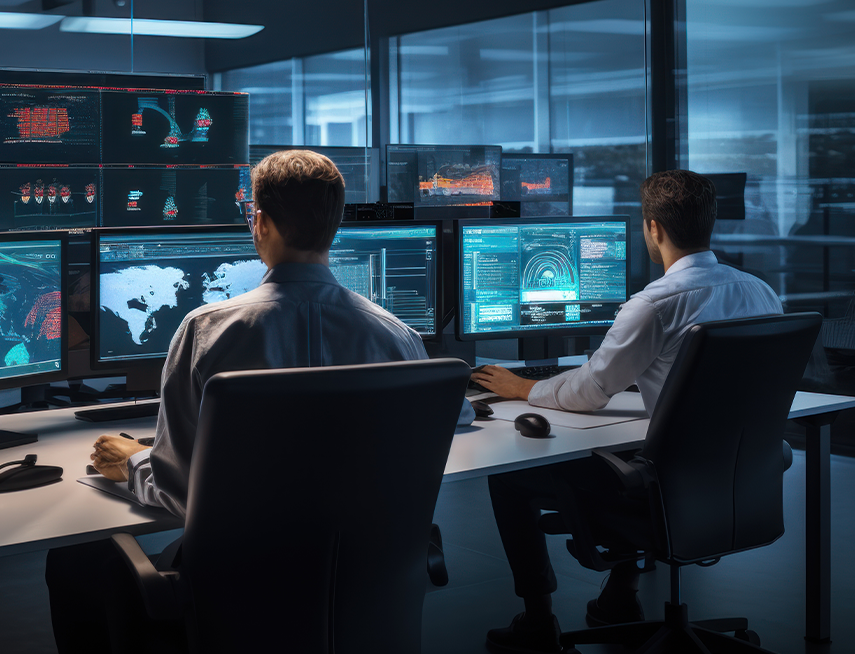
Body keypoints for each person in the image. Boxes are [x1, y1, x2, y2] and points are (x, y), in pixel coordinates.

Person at [45, 149, 435, 653]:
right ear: (335, 225)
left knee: (74, 560)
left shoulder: (207, 331)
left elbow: (186, 493)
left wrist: (134, 460)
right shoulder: (398, 336)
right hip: (365, 574)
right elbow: (449, 415)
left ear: (262, 222)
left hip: (241, 582)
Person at [475, 170, 783, 654]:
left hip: (665, 491)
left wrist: (522, 387)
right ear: (711, 222)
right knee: (639, 452)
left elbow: (590, 390)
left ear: (653, 228)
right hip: (736, 483)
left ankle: (537, 622)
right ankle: (621, 597)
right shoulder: (761, 292)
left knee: (508, 478)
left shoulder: (655, 304)